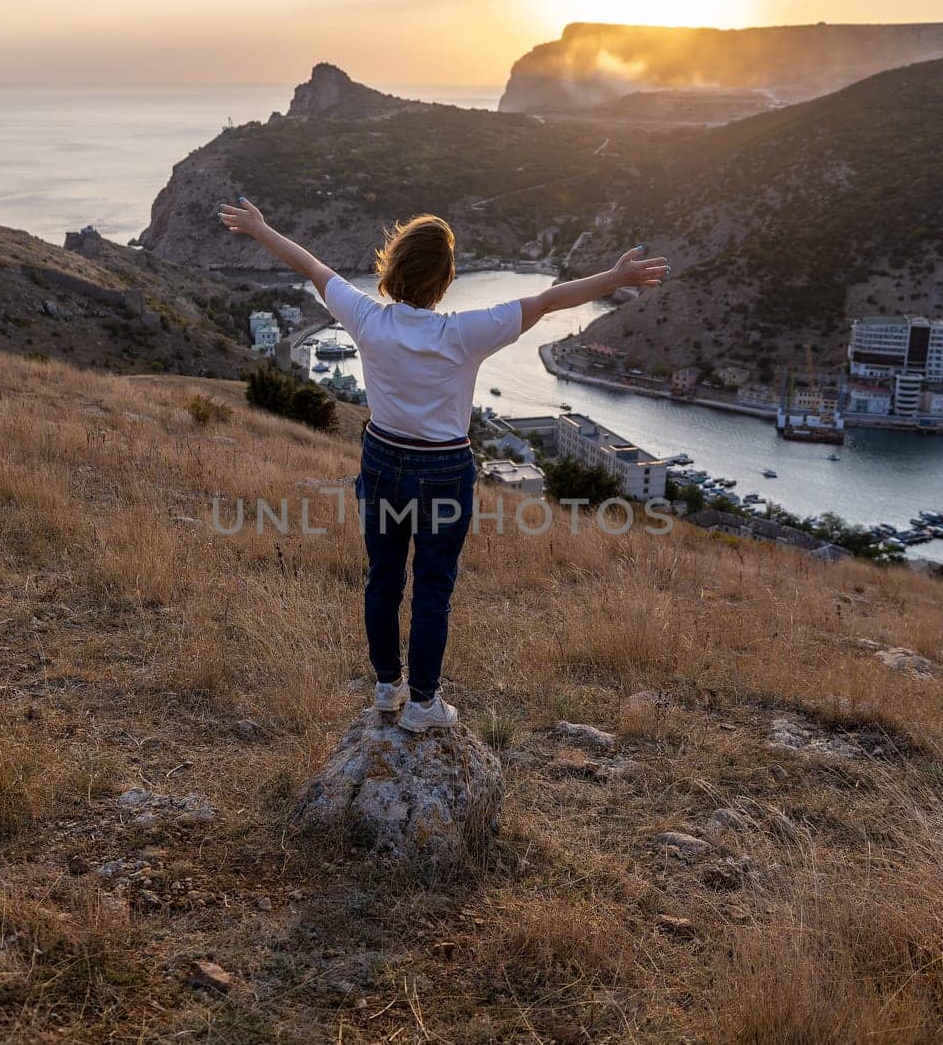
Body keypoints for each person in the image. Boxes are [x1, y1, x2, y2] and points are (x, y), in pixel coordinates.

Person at [218, 199, 668, 732]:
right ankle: (424, 705)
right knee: (432, 587)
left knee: (382, 580)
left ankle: (388, 688)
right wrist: (614, 277)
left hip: (382, 460)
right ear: (445, 279)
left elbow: (310, 265)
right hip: (443, 474)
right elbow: (548, 300)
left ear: (391, 269)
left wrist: (262, 229)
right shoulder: (465, 332)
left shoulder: (364, 317)